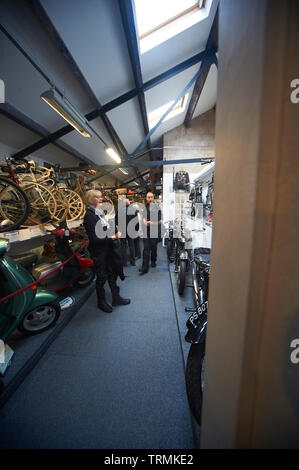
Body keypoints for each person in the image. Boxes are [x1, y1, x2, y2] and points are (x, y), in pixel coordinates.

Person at [84, 190, 130, 313]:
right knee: (101, 277)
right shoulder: (89, 216)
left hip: (108, 250)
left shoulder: (98, 213)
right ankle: (101, 302)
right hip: (99, 252)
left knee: (112, 274)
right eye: (97, 197)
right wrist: (112, 237)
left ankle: (116, 298)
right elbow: (94, 238)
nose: (100, 199)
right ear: (90, 199)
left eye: (100, 197)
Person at [139, 192, 162, 275]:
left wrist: (151, 223)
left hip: (154, 232)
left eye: (151, 197)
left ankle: (153, 261)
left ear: (153, 198)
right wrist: (144, 221)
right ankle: (144, 267)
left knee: (154, 249)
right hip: (146, 232)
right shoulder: (144, 207)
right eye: (148, 197)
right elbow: (143, 217)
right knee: (145, 250)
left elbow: (160, 221)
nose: (150, 199)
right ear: (146, 198)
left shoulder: (157, 208)